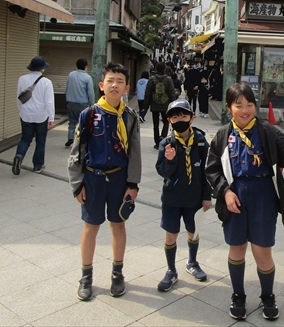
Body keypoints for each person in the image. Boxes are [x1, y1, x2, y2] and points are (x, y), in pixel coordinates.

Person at [205, 82, 284, 321]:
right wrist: (224, 191)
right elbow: (212, 170)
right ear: (228, 107)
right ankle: (238, 295)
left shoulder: (267, 131)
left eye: (250, 105)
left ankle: (268, 296)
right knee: (236, 248)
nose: (245, 110)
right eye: (239, 105)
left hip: (263, 195)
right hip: (235, 196)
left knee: (262, 251)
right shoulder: (223, 136)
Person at [67, 62, 142, 301]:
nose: (114, 85)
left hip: (119, 178)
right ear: (101, 85)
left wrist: (133, 184)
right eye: (110, 80)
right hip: (93, 178)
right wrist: (77, 183)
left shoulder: (130, 117)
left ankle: (117, 273)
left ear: (126, 88)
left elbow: (135, 153)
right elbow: (78, 151)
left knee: (118, 225)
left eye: (120, 81)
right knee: (91, 227)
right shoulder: (88, 115)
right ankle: (86, 277)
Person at [155, 99, 212, 292]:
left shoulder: (202, 142)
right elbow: (162, 172)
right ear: (169, 120)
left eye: (184, 115)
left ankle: (192, 262)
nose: (180, 119)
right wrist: (169, 161)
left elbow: (208, 171)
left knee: (193, 232)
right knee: (171, 234)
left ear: (192, 118)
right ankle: (171, 270)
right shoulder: (166, 143)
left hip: (194, 198)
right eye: (175, 116)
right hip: (172, 198)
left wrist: (207, 195)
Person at [13, 56, 54, 175]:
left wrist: (20, 111)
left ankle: (19, 156)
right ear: (42, 68)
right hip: (41, 115)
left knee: (25, 139)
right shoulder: (46, 82)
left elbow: (19, 97)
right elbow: (49, 102)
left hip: (26, 114)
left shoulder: (22, 79)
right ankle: (38, 165)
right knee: (40, 141)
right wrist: (51, 118)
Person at [144, 62, 177, 149]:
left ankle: (157, 142)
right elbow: (171, 93)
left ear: (156, 69)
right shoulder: (168, 79)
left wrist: (145, 106)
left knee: (156, 123)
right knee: (166, 122)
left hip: (154, 104)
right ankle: (163, 138)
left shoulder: (152, 79)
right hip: (165, 104)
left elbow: (148, 93)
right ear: (164, 69)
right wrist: (174, 105)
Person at [65, 58, 95, 147]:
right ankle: (80, 139)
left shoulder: (71, 75)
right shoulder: (87, 77)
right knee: (83, 123)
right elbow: (90, 92)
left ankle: (70, 137)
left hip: (71, 102)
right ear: (86, 66)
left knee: (72, 122)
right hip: (82, 104)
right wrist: (92, 104)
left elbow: (67, 88)